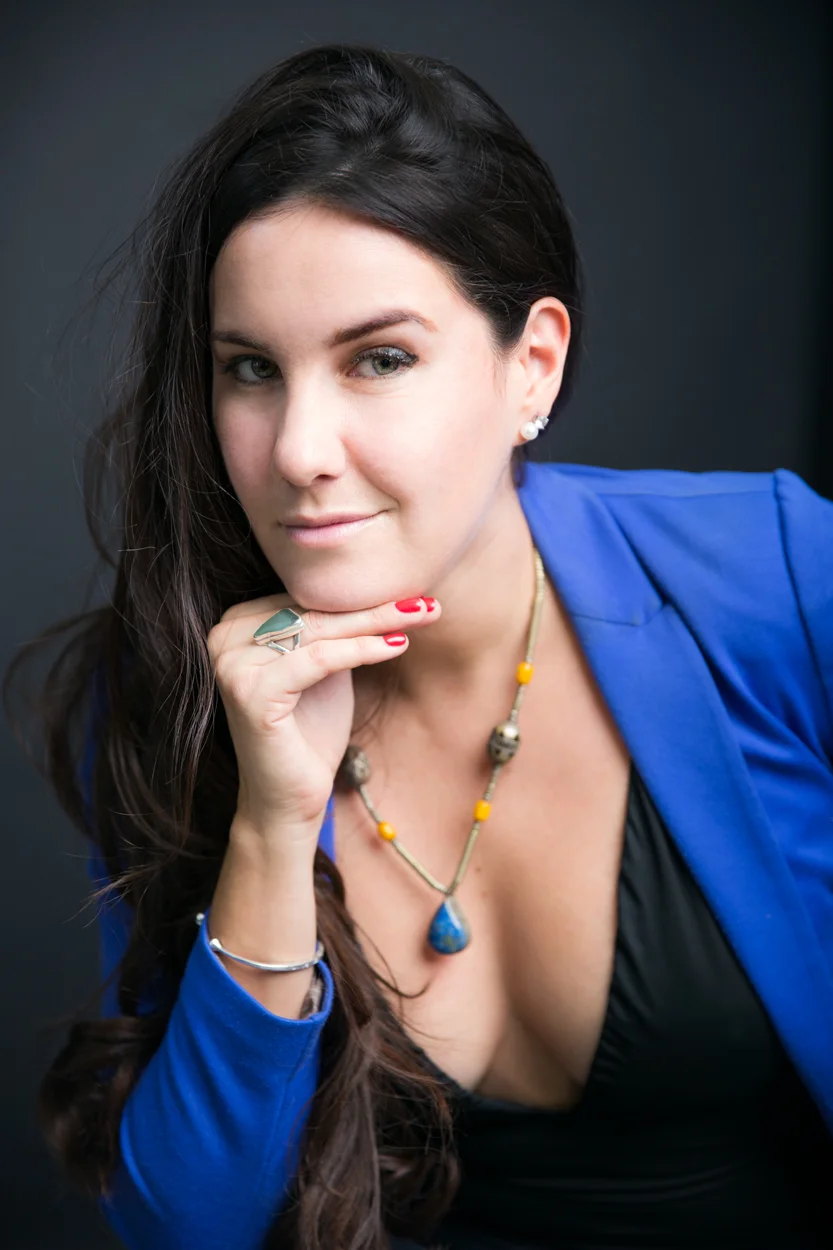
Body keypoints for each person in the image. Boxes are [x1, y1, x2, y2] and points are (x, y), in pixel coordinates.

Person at [9, 40, 833, 1250]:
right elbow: (190, 1228)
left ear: (529, 366)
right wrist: (270, 824)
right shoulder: (170, 684)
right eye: (250, 369)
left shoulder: (783, 580)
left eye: (378, 359)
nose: (299, 450)